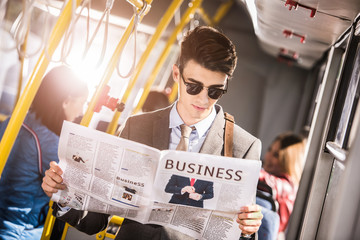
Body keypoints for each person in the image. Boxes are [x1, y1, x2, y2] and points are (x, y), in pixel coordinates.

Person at [42, 26, 263, 240]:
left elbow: (239, 232)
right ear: (176, 74)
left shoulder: (244, 147)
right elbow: (96, 220)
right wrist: (63, 196)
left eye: (215, 91)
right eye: (194, 87)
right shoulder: (136, 127)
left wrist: (247, 229)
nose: (203, 99)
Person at [0, 66, 88, 240]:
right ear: (66, 101)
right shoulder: (51, 143)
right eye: (81, 102)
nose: (82, 111)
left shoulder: (12, 121)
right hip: (18, 227)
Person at [257, 132, 306, 239]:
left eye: (276, 155)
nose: (268, 156)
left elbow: (268, 180)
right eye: (269, 150)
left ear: (288, 161)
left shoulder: (288, 186)